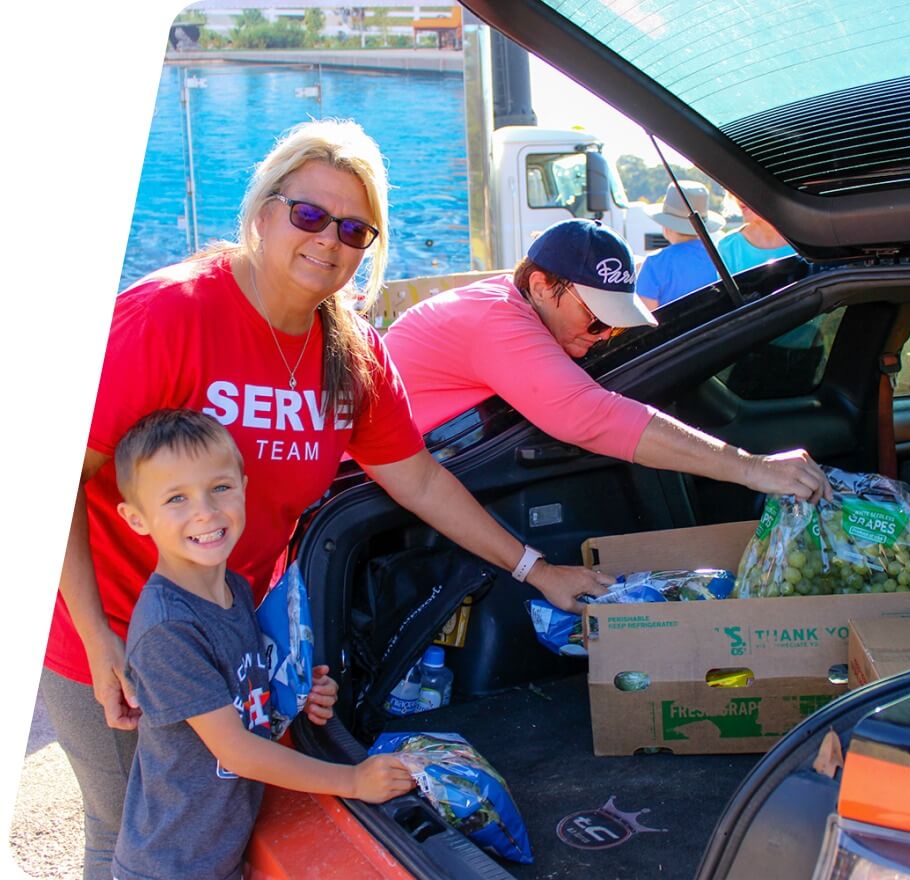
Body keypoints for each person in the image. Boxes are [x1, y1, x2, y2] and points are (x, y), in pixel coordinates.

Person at [43, 118, 608, 880]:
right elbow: (54, 484)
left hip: (232, 631)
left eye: (353, 229)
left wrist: (538, 569)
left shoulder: (351, 350)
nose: (327, 241)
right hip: (109, 627)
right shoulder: (168, 316)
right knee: (130, 840)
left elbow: (419, 478)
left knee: (215, 824)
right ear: (262, 211)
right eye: (308, 215)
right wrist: (96, 636)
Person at [108, 409, 414, 880]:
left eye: (220, 487)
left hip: (217, 853)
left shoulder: (233, 588)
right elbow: (236, 751)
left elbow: (246, 698)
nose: (206, 511)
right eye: (176, 498)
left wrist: (296, 693)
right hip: (171, 867)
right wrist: (351, 780)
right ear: (136, 518)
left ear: (244, 486)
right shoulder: (167, 629)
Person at [384, 217, 832, 509]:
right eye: (596, 320)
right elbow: (591, 416)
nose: (602, 336)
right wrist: (752, 468)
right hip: (373, 501)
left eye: (614, 327)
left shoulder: (516, 303)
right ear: (541, 285)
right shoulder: (495, 321)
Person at [636, 180, 726, 310]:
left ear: (666, 225)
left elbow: (646, 317)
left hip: (677, 331)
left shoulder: (655, 263)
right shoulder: (722, 255)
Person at [716, 195, 795, 274]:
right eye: (735, 189)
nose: (738, 197)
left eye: (747, 188)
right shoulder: (728, 246)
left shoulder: (804, 235)